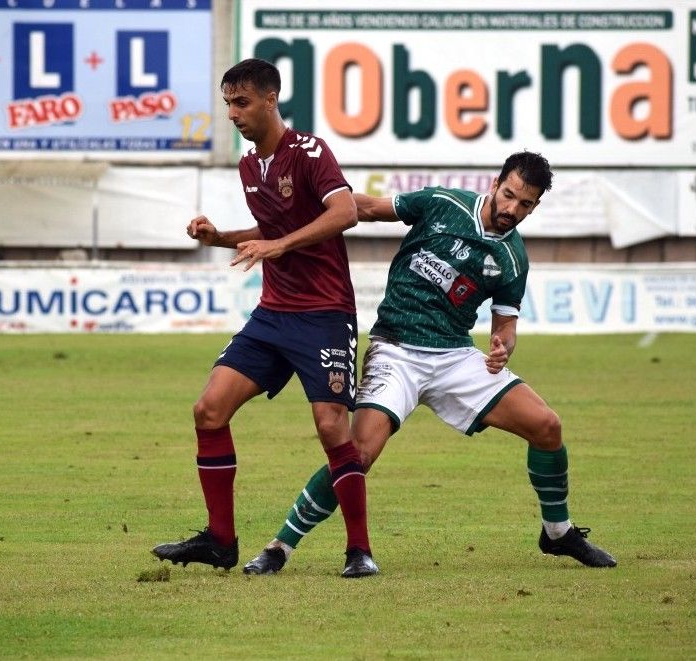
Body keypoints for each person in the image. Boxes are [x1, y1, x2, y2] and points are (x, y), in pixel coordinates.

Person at [241, 151, 617, 575]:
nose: (512, 209)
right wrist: (306, 213)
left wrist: (502, 346)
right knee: (357, 454)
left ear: (535, 206)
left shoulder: (514, 259)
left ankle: (558, 532)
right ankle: (279, 549)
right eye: (509, 195)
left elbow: (505, 325)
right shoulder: (443, 204)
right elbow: (362, 208)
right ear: (495, 183)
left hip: (454, 356)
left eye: (525, 204)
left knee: (547, 426)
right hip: (395, 350)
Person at [150, 58, 378, 578]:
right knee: (208, 409)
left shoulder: (311, 152)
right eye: (228, 103)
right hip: (273, 314)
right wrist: (221, 237)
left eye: (242, 102)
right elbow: (270, 226)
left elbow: (344, 213)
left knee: (331, 427)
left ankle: (359, 550)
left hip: (324, 312)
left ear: (270, 100)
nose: (232, 113)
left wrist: (279, 244)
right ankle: (220, 541)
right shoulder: (251, 166)